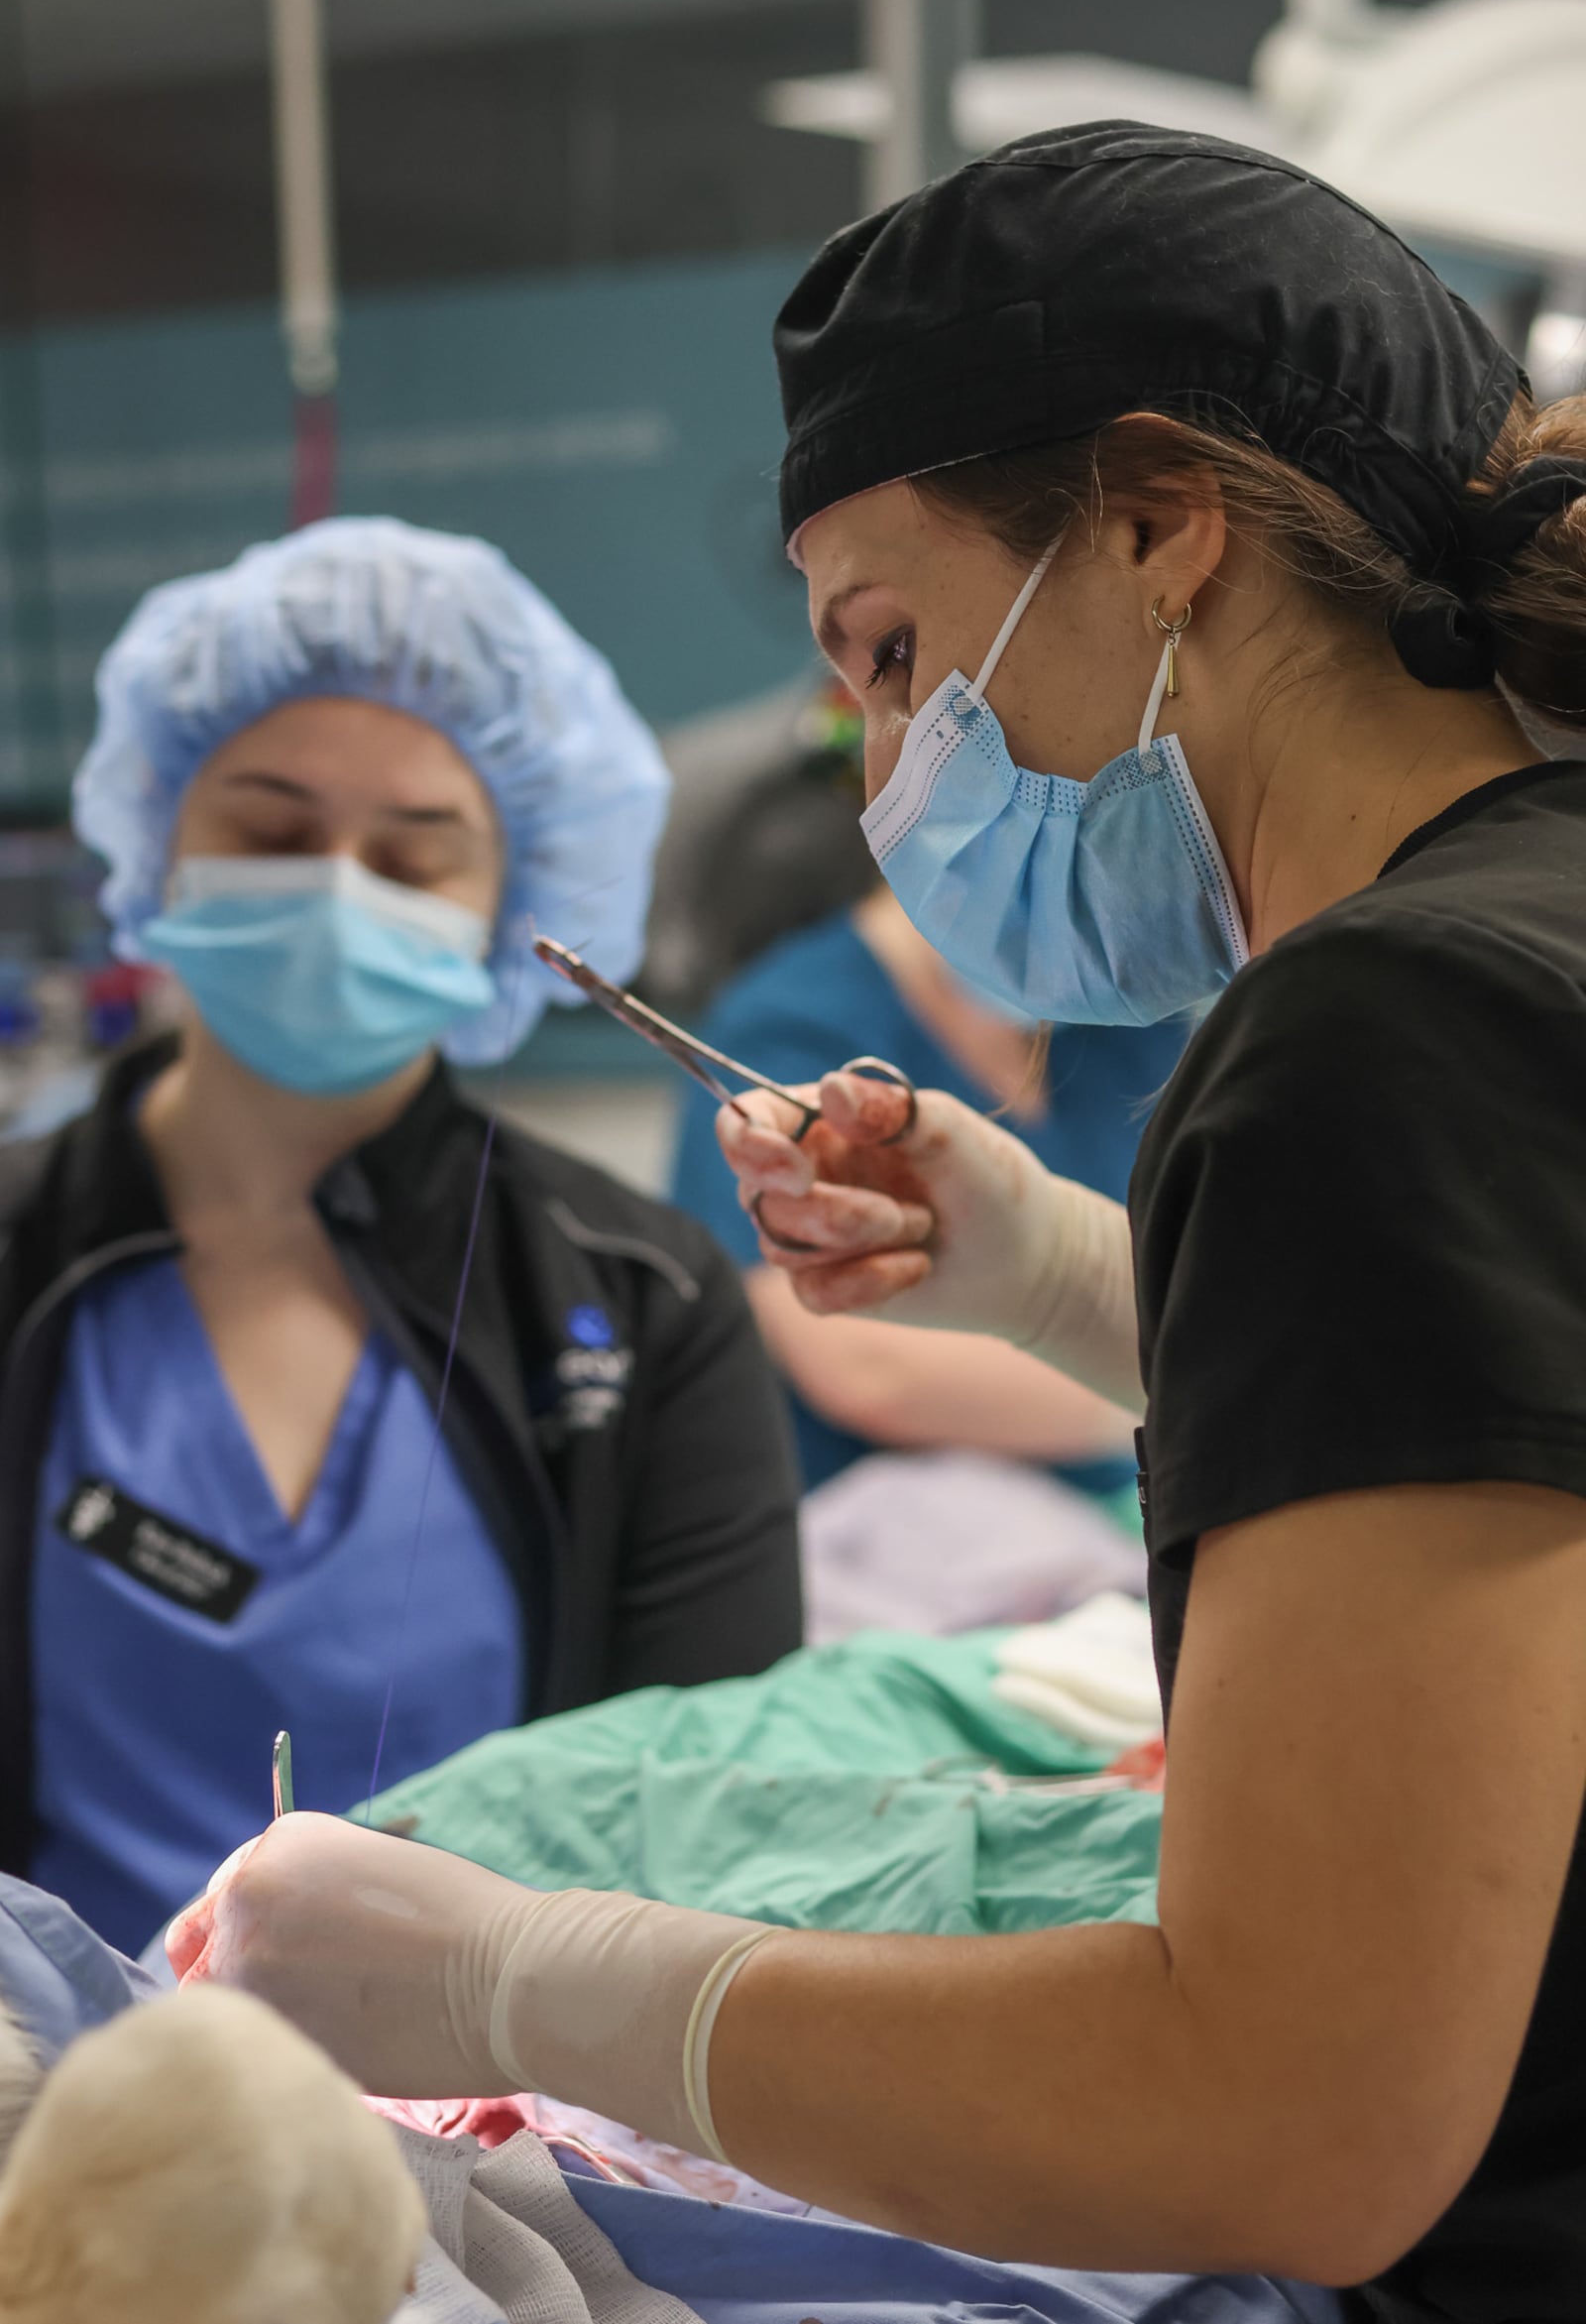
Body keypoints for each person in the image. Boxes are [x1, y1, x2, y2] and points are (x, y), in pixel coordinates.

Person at [170, 128, 1586, 2323]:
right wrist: (1036, 1264)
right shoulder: (1531, 929)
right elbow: (1486, 1411)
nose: (888, 765)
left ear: (1152, 521)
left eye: (898, 649)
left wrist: (514, 1976)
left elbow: (1291, 2119)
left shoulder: (1381, 1028)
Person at [0, 516, 802, 1956]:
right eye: (271, 830)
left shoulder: (641, 1297)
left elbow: (702, 1825)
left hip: (500, 2129)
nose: (336, 886)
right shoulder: (22, 1249)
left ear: (522, 909)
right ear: (156, 831)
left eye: (413, 853)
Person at [669, 701, 1180, 1502]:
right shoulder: (792, 1025)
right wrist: (1191, 1398)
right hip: (894, 1542)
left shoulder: (1121, 1020)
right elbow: (865, 1369)